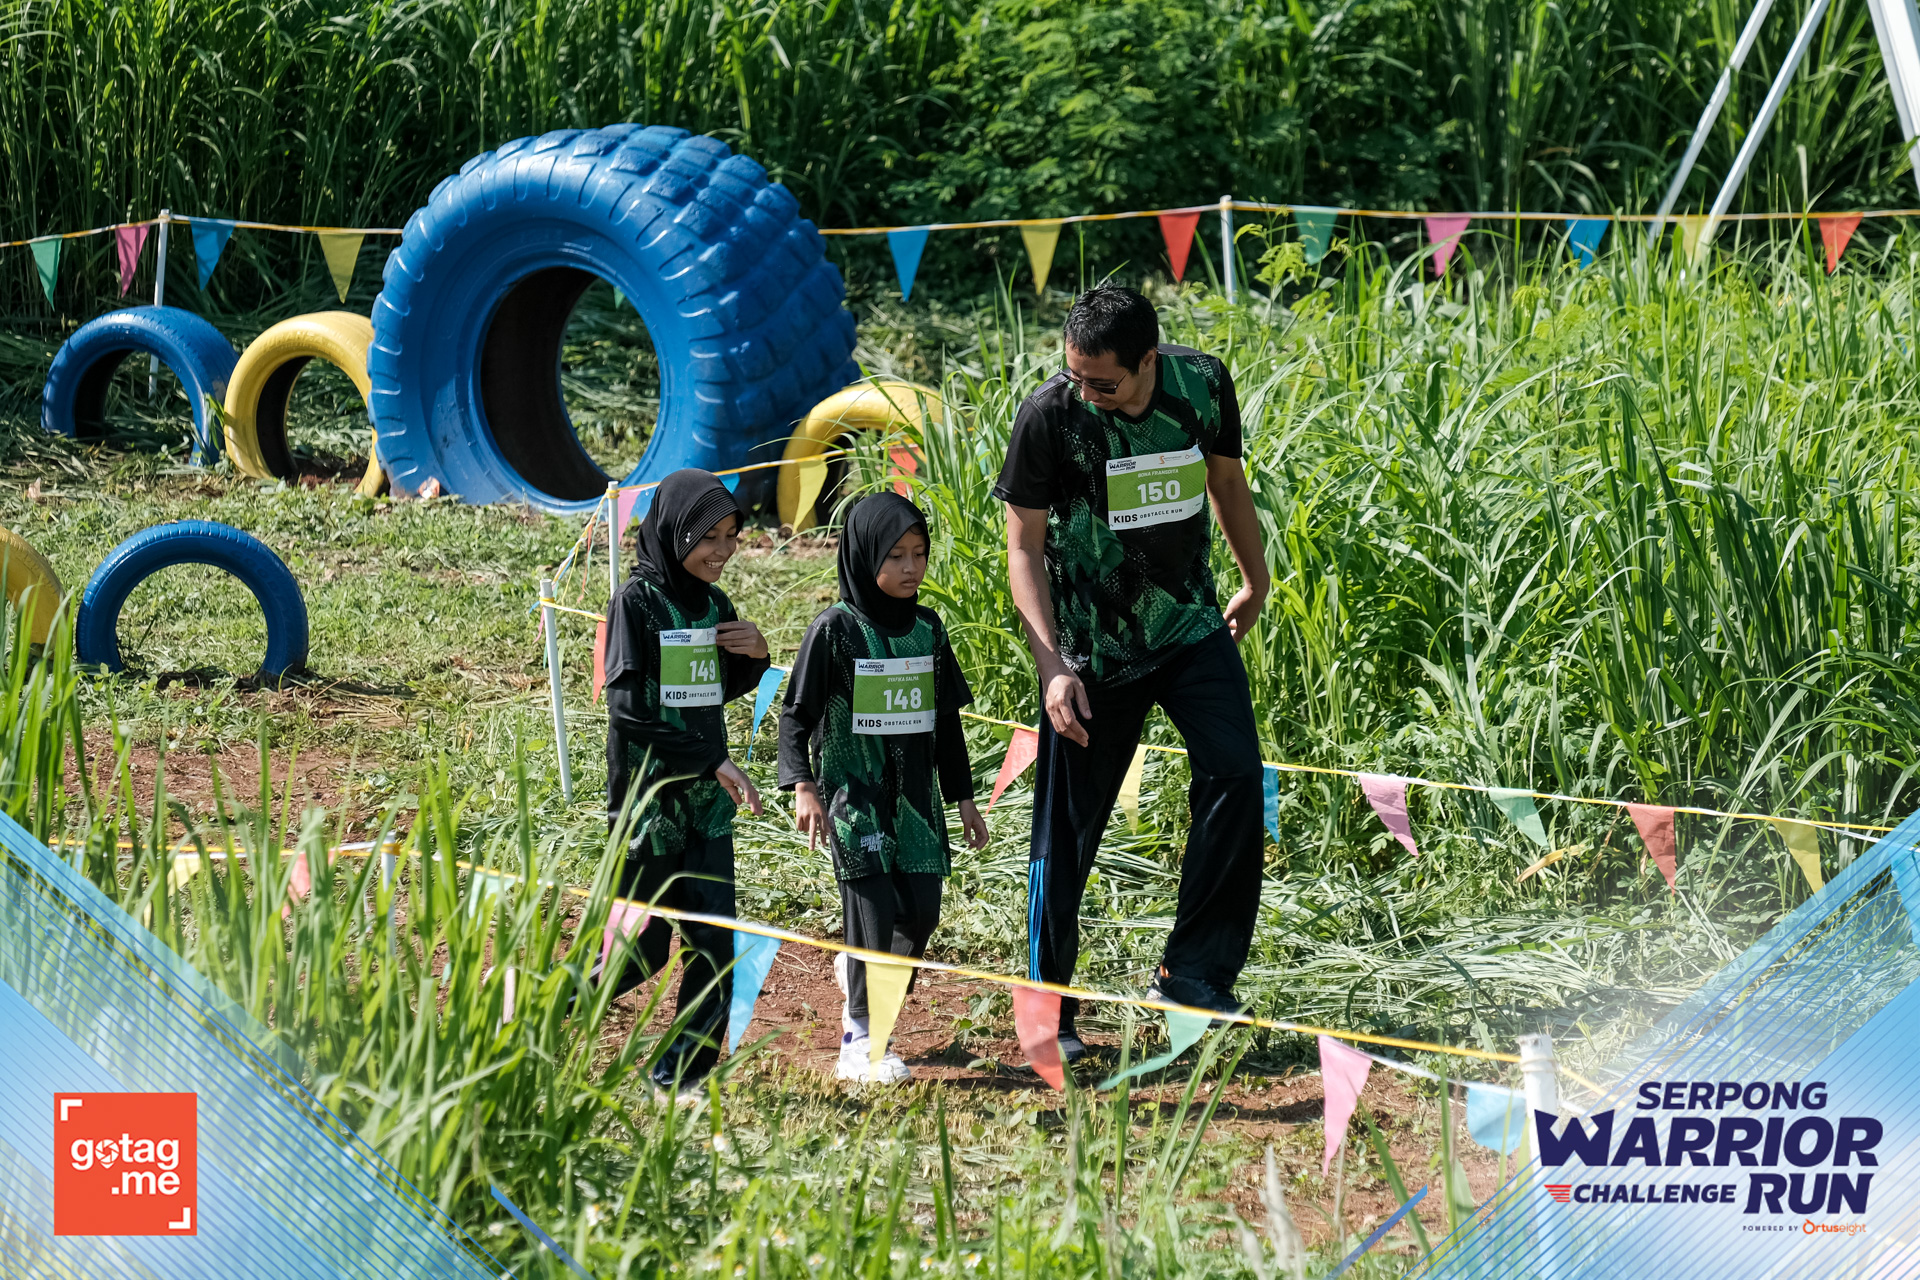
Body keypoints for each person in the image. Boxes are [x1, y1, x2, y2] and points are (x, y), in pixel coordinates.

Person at [993, 284, 1270, 1062]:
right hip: (1092, 656)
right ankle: (1051, 1010)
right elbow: (1022, 548)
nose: (1086, 392)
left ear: (1148, 360)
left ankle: (1193, 976)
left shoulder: (1202, 384)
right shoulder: (1049, 416)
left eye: (1103, 382)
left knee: (1237, 775)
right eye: (1075, 375)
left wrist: (1257, 579)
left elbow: (1226, 483)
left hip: (1189, 628)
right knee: (1067, 833)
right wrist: (1053, 666)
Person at [778, 492, 990, 1083]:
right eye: (895, 555)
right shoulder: (836, 631)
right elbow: (795, 716)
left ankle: (859, 980)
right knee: (873, 914)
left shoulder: (928, 630)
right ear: (865, 554)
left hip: (917, 805)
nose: (910, 567)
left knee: (918, 916)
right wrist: (802, 785)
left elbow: (946, 721)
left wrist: (964, 798)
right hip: (855, 801)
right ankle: (862, 1041)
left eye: (919, 554)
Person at [601, 468, 770, 1097]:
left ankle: (679, 1078)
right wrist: (711, 761)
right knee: (638, 953)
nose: (722, 551)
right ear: (675, 532)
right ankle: (530, 1006)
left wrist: (756, 658)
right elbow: (628, 710)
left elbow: (710, 691)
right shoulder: (636, 602)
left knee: (714, 947)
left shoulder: (715, 605)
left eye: (731, 536)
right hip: (648, 805)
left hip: (705, 807)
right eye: (709, 537)